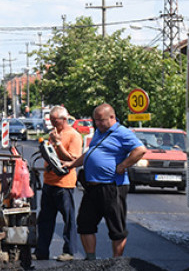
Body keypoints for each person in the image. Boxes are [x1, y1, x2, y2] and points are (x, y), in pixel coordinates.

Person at [62, 103, 146, 259]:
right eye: (96, 120)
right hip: (92, 187)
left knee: (116, 227)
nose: (98, 123)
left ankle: (116, 263)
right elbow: (90, 153)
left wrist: (123, 165)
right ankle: (90, 259)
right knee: (84, 224)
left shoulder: (122, 132)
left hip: (112, 186)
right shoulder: (99, 132)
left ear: (112, 117)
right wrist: (72, 164)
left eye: (101, 120)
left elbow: (140, 150)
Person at [35, 106, 83, 262]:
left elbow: (73, 159)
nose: (53, 123)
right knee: (45, 219)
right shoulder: (54, 133)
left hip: (64, 184)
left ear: (64, 119)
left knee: (68, 219)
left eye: (55, 121)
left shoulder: (74, 136)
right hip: (49, 182)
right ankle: (41, 251)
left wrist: (58, 143)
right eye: (51, 120)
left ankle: (69, 251)